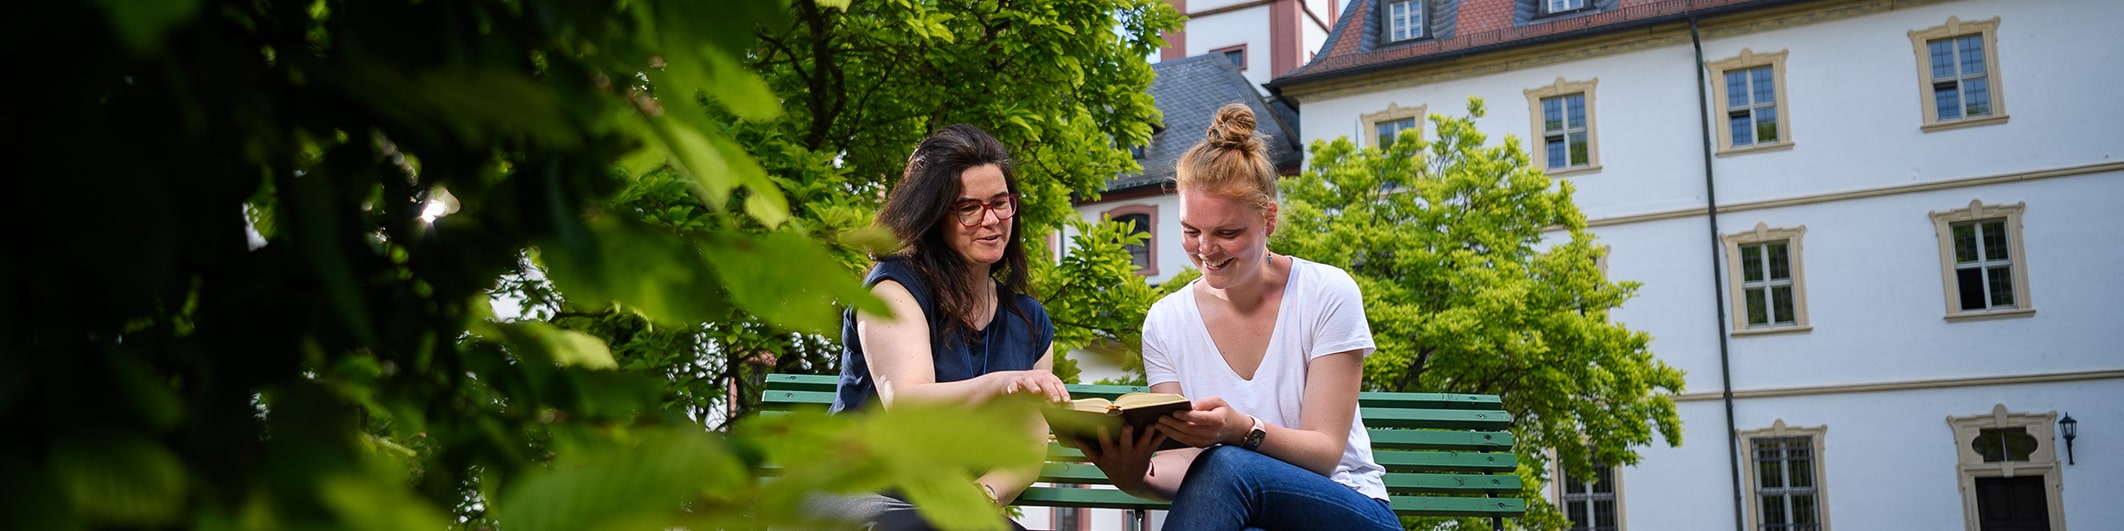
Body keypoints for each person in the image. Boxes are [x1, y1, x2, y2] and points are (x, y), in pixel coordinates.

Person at [1077, 104, 1398, 530]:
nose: (1206, 250)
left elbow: (1324, 453)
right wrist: (1137, 476)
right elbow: (1182, 466)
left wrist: (1242, 429)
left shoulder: (1327, 293)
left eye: (1227, 234)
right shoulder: (1166, 321)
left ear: (1268, 219)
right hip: (1243, 517)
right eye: (1192, 231)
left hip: (1349, 508)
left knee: (1227, 463)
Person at [822, 124, 1069, 530]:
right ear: (934, 216)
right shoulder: (894, 288)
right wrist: (1000, 383)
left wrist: (982, 494)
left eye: (1000, 203)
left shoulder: (1029, 321)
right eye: (969, 208)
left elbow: (1026, 448)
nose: (991, 220)